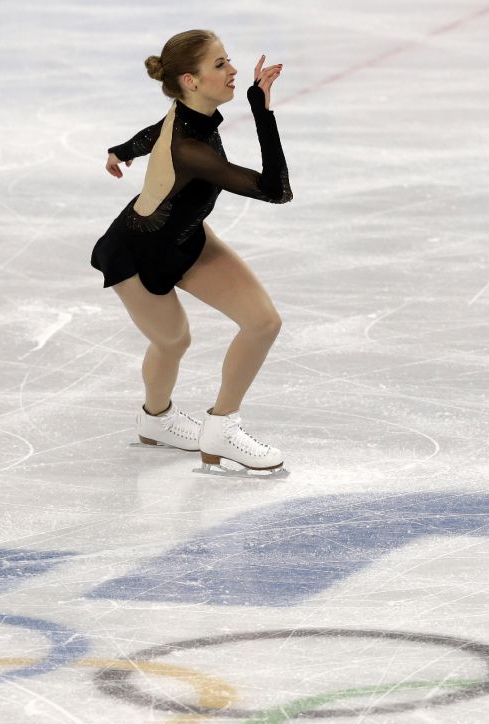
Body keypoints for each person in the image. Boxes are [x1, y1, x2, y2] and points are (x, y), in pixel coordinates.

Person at [91, 29, 292, 472]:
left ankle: (221, 428)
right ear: (191, 81)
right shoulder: (192, 149)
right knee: (174, 340)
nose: (233, 70)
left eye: (228, 60)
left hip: (187, 238)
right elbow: (276, 191)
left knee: (262, 322)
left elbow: (153, 132)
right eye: (220, 64)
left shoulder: (186, 116)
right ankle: (156, 418)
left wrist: (121, 151)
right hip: (137, 253)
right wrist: (262, 111)